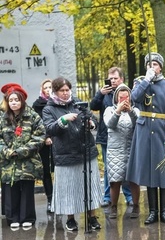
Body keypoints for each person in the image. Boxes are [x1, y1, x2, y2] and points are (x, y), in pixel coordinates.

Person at [42, 77, 102, 231]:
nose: (65, 93)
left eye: (67, 90)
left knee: (89, 186)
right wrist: (63, 120)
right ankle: (70, 219)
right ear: (55, 91)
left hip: (86, 151)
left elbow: (93, 118)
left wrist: (91, 123)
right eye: (61, 91)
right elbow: (50, 129)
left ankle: (92, 217)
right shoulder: (49, 109)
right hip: (65, 154)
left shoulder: (78, 102)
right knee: (69, 188)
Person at [127, 53, 165, 225]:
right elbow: (135, 98)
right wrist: (146, 80)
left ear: (161, 67)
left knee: (163, 169)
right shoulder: (140, 82)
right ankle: (152, 211)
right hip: (145, 130)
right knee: (149, 170)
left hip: (162, 129)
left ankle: (164, 211)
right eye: (149, 64)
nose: (152, 67)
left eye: (155, 64)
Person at [0, 83, 45, 229]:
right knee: (10, 188)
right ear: (7, 101)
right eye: (11, 100)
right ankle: (12, 218)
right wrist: (7, 151)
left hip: (28, 161)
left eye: (17, 100)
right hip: (8, 161)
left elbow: (39, 136)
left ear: (22, 100)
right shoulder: (2, 118)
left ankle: (27, 218)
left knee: (26, 188)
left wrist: (22, 151)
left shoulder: (32, 116)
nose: (14, 103)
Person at [90, 67, 133, 209]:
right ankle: (108, 197)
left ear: (122, 79)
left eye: (116, 78)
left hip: (125, 138)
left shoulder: (127, 94)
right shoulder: (105, 94)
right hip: (106, 137)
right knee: (110, 169)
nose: (113, 81)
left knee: (126, 167)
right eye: (111, 78)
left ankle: (129, 196)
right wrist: (100, 94)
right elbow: (93, 106)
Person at [103, 84, 140, 219]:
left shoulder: (135, 110)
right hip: (115, 151)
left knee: (134, 180)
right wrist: (118, 111)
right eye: (121, 96)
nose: (124, 99)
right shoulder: (109, 110)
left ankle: (136, 206)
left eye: (126, 97)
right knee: (115, 181)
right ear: (116, 97)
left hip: (132, 149)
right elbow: (110, 124)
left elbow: (138, 125)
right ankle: (113, 207)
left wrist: (130, 111)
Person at [32, 78, 54, 213]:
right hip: (45, 144)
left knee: (59, 170)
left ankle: (60, 198)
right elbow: (37, 124)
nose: (48, 90)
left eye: (51, 87)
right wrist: (45, 137)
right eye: (46, 87)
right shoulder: (37, 105)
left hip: (59, 142)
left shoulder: (58, 103)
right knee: (46, 171)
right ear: (42, 90)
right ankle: (50, 199)